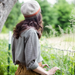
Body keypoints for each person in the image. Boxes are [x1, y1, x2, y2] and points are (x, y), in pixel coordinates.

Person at [11, 1, 59, 75]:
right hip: (29, 72)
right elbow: (31, 64)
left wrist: (39, 66)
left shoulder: (18, 30)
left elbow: (23, 59)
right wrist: (47, 73)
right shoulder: (31, 32)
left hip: (20, 71)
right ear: (38, 14)